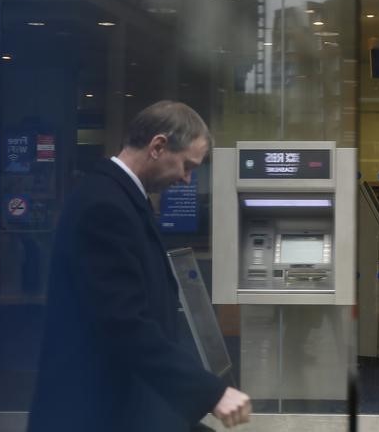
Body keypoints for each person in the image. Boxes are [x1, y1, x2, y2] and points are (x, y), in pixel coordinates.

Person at [29, 101, 251, 432]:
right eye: (186, 166)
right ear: (158, 146)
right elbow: (124, 323)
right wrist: (211, 393)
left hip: (122, 404)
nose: (187, 180)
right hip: (96, 410)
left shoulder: (118, 197)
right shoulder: (104, 206)